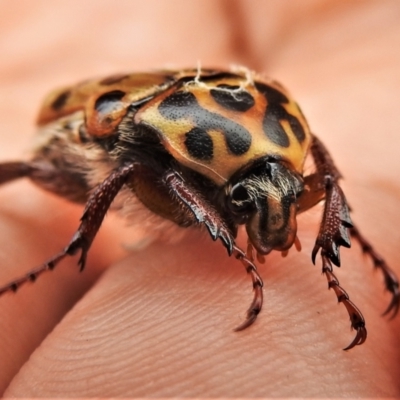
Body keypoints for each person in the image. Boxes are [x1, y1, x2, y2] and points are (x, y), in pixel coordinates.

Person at [0, 0, 399, 397]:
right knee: (74, 169)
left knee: (326, 183)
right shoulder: (162, 149)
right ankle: (74, 249)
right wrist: (231, 247)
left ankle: (326, 257)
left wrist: (337, 245)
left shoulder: (282, 144)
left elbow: (325, 175)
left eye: (289, 192)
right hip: (97, 134)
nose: (278, 215)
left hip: (196, 120)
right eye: (246, 199)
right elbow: (140, 172)